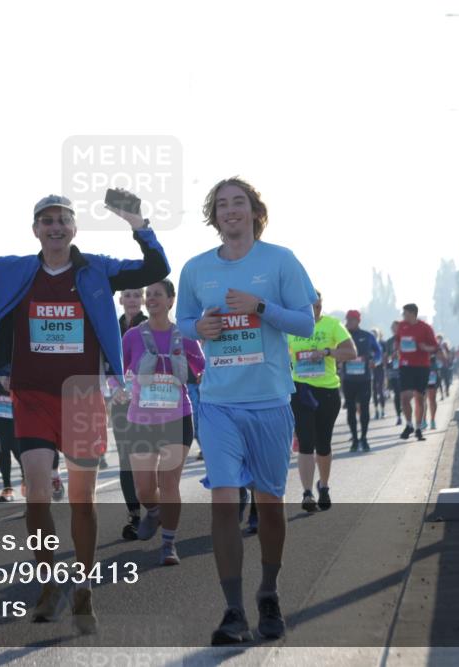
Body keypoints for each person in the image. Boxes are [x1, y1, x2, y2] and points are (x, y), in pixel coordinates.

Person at [0, 179, 169, 635]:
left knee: (82, 500)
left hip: (83, 397)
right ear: (35, 230)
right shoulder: (14, 270)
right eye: (46, 220)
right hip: (31, 395)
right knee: (38, 491)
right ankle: (48, 582)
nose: (55, 226)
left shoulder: (97, 270)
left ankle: (83, 585)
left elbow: (156, 267)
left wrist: (137, 223)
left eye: (63, 219)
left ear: (74, 227)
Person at [177, 176, 317, 643]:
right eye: (222, 205)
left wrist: (261, 307)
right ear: (213, 216)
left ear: (255, 211)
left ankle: (269, 592)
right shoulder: (196, 269)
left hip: (270, 402)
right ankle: (233, 610)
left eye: (239, 203)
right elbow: (182, 326)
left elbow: (304, 321)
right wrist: (199, 327)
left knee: (270, 505)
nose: (230, 211)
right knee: (224, 500)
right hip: (218, 404)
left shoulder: (280, 261)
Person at [114, 280, 204, 565]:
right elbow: (118, 369)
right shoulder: (131, 336)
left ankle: (169, 544)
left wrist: (202, 377)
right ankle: (153, 512)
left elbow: (203, 367)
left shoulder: (185, 336)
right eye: (147, 295)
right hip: (141, 420)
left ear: (170, 301)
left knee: (169, 484)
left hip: (177, 419)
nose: (151, 299)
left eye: (157, 295)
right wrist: (117, 388)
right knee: (143, 488)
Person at [288, 292, 357, 513]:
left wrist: (327, 351)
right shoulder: (291, 327)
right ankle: (307, 492)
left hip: (327, 391)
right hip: (300, 389)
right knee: (306, 442)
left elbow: (351, 352)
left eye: (318, 307)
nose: (315, 311)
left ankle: (324, 486)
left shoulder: (332, 325)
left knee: (324, 443)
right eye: (311, 307)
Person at [111, 288, 146, 538]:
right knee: (126, 459)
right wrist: (115, 388)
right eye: (128, 295)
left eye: (137, 295)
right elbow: (105, 362)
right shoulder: (110, 327)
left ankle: (157, 509)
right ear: (120, 299)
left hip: (151, 403)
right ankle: (134, 516)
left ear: (142, 299)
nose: (132, 300)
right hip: (122, 402)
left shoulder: (152, 326)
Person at [394, 304, 439, 442]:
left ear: (413, 313)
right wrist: (397, 348)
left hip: (421, 366)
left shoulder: (425, 328)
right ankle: (409, 425)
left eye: (405, 313)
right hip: (405, 366)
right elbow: (397, 341)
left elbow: (435, 347)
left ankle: (418, 427)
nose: (403, 316)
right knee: (405, 397)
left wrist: (425, 347)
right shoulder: (401, 326)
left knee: (419, 398)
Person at [341, 310, 382, 452]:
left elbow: (378, 352)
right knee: (350, 410)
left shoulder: (368, 336)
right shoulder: (342, 335)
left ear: (358, 321)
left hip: (364, 379)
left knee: (364, 409)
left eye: (352, 319)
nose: (349, 322)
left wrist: (375, 361)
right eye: (348, 319)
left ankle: (364, 438)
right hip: (348, 379)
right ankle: (354, 439)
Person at [0, 376, 22, 501]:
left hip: (18, 419)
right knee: (2, 453)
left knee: (21, 454)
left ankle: (27, 481)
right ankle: (7, 488)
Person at [384, 321, 403, 425]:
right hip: (393, 369)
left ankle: (404, 407)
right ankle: (399, 416)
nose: (395, 330)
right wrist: (390, 357)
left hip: (404, 368)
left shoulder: (404, 339)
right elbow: (387, 356)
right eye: (393, 328)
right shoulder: (389, 341)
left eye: (396, 327)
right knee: (397, 392)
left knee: (404, 393)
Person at [370, 327, 387, 420]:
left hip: (380, 369)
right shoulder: (368, 345)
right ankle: (376, 411)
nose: (374, 335)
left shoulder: (382, 343)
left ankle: (383, 411)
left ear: (378, 334)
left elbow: (385, 356)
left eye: (375, 333)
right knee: (374, 391)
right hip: (372, 370)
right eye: (372, 334)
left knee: (380, 390)